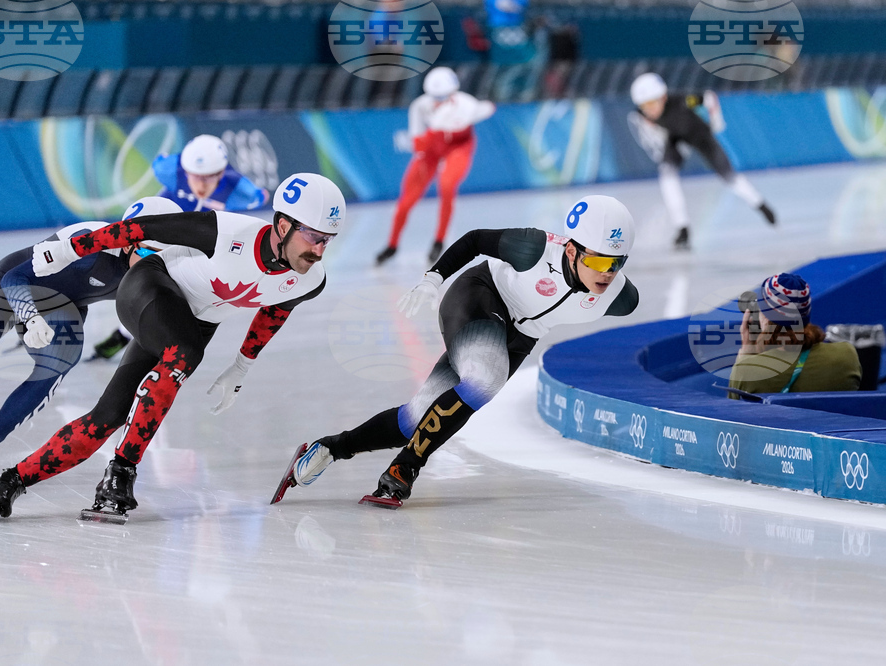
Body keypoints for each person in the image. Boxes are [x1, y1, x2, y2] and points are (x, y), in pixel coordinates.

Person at [0, 172, 345, 522]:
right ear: (283, 225)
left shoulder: (311, 279)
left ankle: (9, 483)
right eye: (314, 237)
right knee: (186, 353)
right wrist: (68, 251)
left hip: (191, 322)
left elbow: (275, 311)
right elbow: (136, 228)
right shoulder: (228, 232)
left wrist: (241, 366)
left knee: (107, 417)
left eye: (328, 241)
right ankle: (121, 473)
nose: (320, 251)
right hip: (150, 288)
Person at [274, 195, 639, 507]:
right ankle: (405, 468)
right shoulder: (533, 248)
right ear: (571, 250)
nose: (607, 274)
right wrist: (433, 278)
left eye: (616, 263)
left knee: (415, 420)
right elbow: (475, 239)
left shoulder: (622, 298)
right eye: (598, 261)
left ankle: (331, 447)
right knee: (485, 378)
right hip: (480, 295)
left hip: (520, 337)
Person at [0, 196, 181, 485]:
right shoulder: (89, 246)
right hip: (9, 291)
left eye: (161, 258)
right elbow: (14, 277)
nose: (151, 266)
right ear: (126, 240)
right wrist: (29, 316)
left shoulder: (165, 264)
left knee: (58, 365)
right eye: (146, 255)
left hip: (64, 306)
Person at [90, 134, 271, 360]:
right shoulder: (171, 170)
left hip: (192, 242)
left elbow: (260, 197)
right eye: (195, 177)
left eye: (209, 178)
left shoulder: (237, 188)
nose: (201, 185)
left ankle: (130, 335)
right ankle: (126, 333)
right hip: (159, 233)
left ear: (221, 174)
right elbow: (158, 162)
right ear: (185, 172)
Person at [628, 73, 776, 250]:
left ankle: (760, 205)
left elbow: (708, 97)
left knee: (728, 175)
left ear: (664, 97)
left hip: (700, 135)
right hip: (674, 139)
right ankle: (682, 228)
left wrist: (716, 122)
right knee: (667, 176)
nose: (649, 110)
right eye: (645, 106)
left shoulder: (683, 101)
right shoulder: (641, 115)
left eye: (652, 103)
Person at [376, 67, 496, 266]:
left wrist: (480, 111)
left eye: (443, 96)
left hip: (459, 147)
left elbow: (488, 108)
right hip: (431, 149)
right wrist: (432, 133)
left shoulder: (466, 104)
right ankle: (392, 244)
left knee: (447, 185)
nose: (438, 101)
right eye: (434, 96)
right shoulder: (419, 106)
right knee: (406, 201)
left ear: (453, 92)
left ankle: (439, 240)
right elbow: (417, 142)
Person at [728, 273, 861, 398]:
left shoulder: (747, 372)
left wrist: (747, 353)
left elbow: (734, 415)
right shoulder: (846, 355)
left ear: (766, 319)